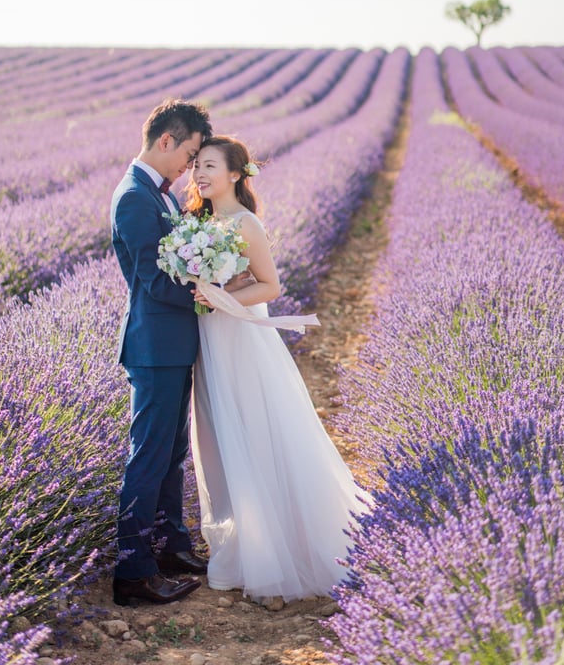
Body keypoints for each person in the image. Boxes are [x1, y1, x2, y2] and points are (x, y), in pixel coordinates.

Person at [184, 135, 370, 604]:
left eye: (209, 166)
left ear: (234, 174)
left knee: (257, 431)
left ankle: (276, 558)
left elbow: (270, 286)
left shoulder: (245, 223)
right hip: (212, 342)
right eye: (196, 167)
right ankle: (244, 545)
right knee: (220, 440)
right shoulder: (195, 223)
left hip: (244, 338)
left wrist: (220, 297)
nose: (200, 174)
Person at [110, 98, 213, 606]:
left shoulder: (162, 195)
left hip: (173, 343)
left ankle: (170, 545)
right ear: (166, 141)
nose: (189, 167)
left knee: (171, 454)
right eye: (189, 154)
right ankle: (133, 572)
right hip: (154, 347)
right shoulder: (134, 197)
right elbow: (152, 281)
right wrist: (208, 295)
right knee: (147, 458)